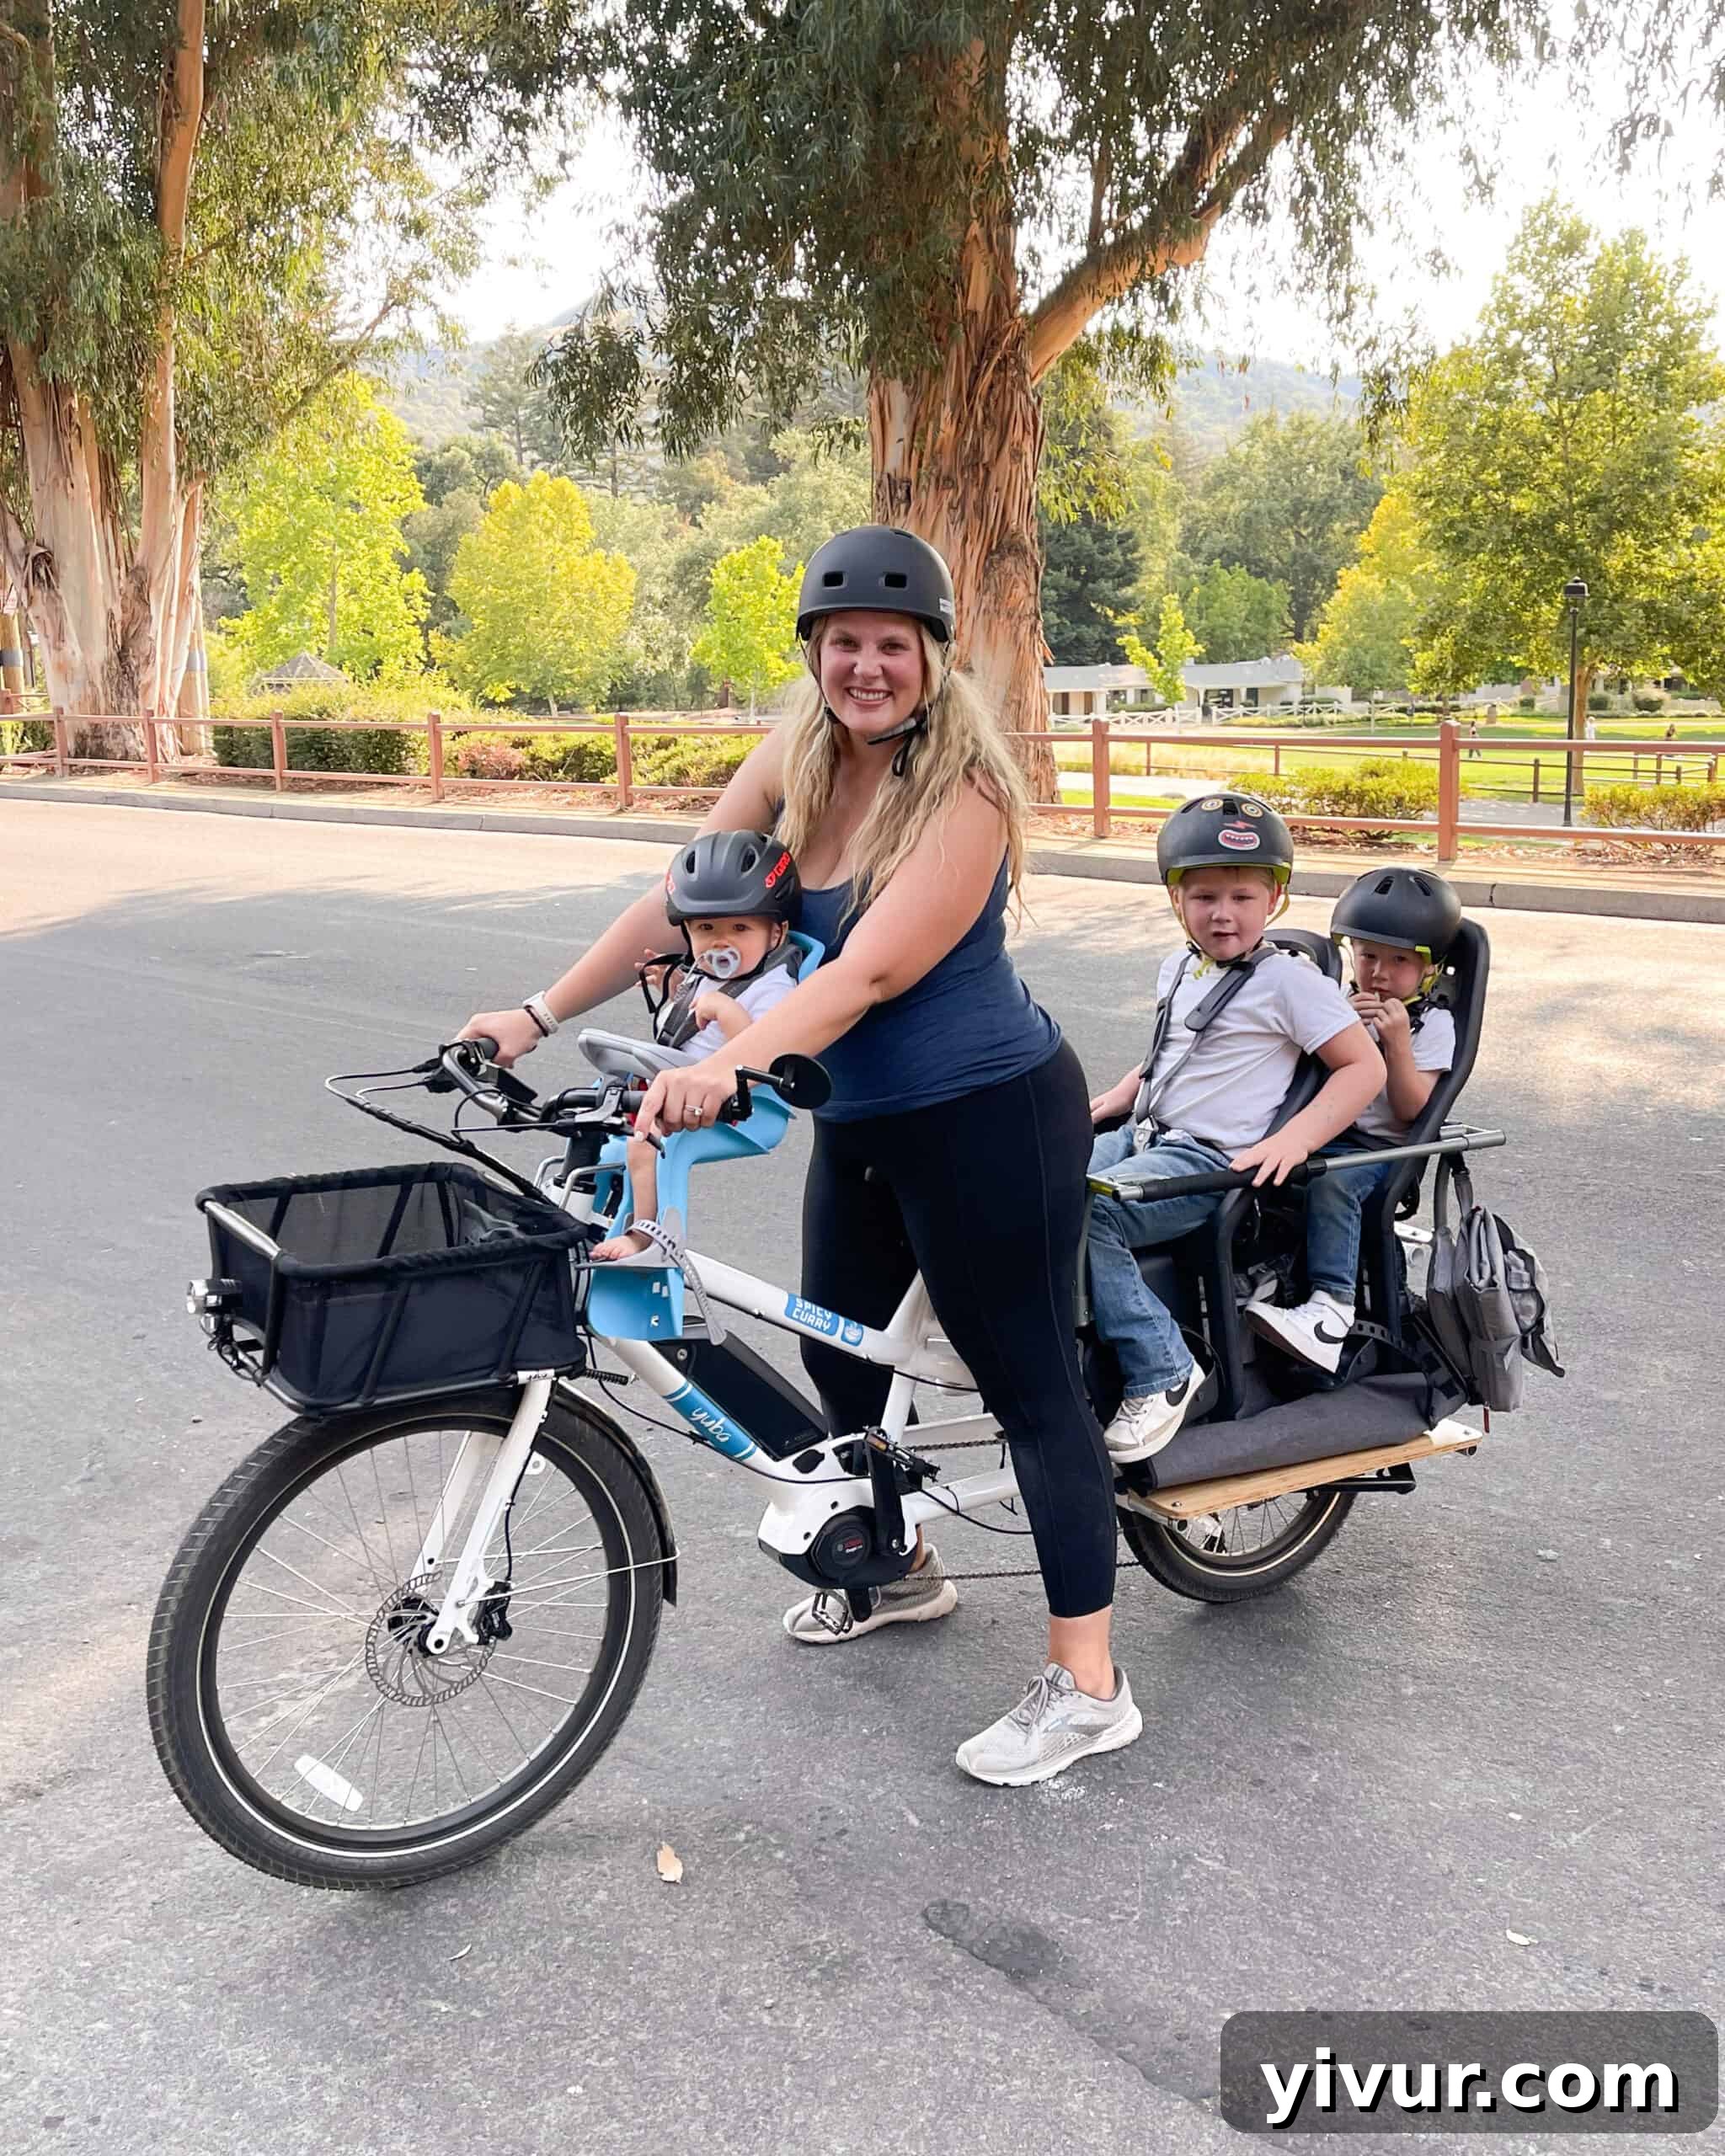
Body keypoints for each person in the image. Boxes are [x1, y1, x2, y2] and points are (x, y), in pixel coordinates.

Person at [458, 525, 1136, 1789]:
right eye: (843, 645)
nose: (865, 667)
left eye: (892, 645)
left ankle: (1090, 1684)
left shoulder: (968, 792)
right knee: (840, 1352)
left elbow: (877, 963)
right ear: (814, 654)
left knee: (1031, 1387)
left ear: (933, 658)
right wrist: (536, 1016)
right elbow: (682, 901)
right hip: (866, 1118)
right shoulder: (799, 758)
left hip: (989, 1112)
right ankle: (901, 1573)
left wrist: (740, 1052)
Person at [1083, 794, 1384, 1460]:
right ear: (1176, 900)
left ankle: (1162, 1371)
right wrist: (1108, 1100)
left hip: (1209, 1163)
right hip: (1147, 1136)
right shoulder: (1180, 967)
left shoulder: (1289, 983)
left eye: (1244, 897)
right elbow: (1171, 1055)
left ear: (1274, 897)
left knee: (1089, 1213)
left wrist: (1293, 1139)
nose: (1224, 914)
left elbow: (1362, 1070)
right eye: (1205, 897)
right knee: (1030, 1182)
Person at [1248, 867, 1461, 1370]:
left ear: (1430, 969)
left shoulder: (1432, 1025)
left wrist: (1397, 1045)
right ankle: (1268, 1272)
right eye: (1367, 956)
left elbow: (1413, 1111)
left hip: (1381, 1151)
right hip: (1329, 1131)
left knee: (1332, 1185)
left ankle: (1331, 1310)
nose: (1380, 973)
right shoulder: (1340, 1005)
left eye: (1399, 961)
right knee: (1264, 1164)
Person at [590, 830, 804, 1262]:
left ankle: (648, 1237)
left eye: (740, 928)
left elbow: (762, 1049)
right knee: (598, 1133)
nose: (720, 942)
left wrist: (725, 1009)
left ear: (777, 934)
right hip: (680, 1090)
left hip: (745, 1107)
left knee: (646, 1144)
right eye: (706, 929)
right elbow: (694, 1030)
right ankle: (591, 1220)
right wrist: (675, 993)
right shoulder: (706, 975)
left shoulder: (773, 986)